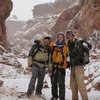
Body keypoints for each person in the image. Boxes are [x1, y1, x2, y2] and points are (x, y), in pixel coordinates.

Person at [66, 30, 92, 100]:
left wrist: (85, 42)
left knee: (80, 84)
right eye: (68, 36)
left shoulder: (78, 42)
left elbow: (87, 48)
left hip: (79, 66)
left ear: (72, 36)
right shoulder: (68, 44)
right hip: (72, 67)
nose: (69, 37)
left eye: (70, 35)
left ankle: (85, 99)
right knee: (73, 85)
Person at [49, 32, 69, 100]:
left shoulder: (65, 46)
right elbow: (48, 49)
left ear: (63, 38)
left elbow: (67, 57)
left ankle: (62, 98)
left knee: (61, 84)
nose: (60, 38)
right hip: (54, 67)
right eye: (59, 36)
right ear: (57, 37)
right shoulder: (53, 45)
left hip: (61, 67)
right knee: (53, 83)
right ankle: (54, 96)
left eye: (61, 37)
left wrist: (66, 65)